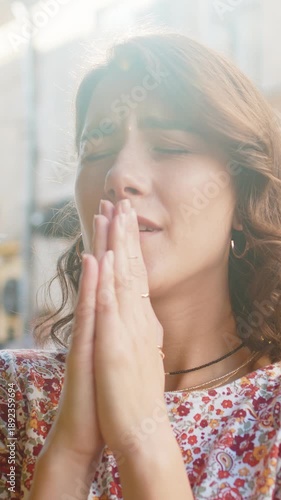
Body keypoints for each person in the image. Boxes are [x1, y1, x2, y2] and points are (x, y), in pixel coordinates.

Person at [1, 30, 281, 500]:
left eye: (170, 146)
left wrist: (142, 440)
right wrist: (68, 455)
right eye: (96, 149)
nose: (118, 176)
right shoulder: (12, 396)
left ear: (243, 193)